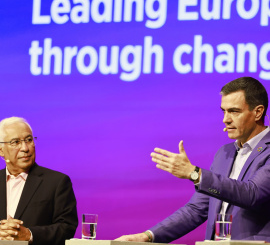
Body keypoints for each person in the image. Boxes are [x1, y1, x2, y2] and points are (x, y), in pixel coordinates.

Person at [116, 76, 270, 242]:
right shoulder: (224, 154)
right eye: (224, 111)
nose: (225, 119)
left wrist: (195, 173)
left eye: (234, 111)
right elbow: (197, 209)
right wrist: (147, 236)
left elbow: (251, 194)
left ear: (258, 112)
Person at [0, 117, 78, 245]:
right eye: (15, 142)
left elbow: (67, 227)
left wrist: (29, 234)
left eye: (29, 140)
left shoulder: (57, 182)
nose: (25, 148)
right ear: (1, 150)